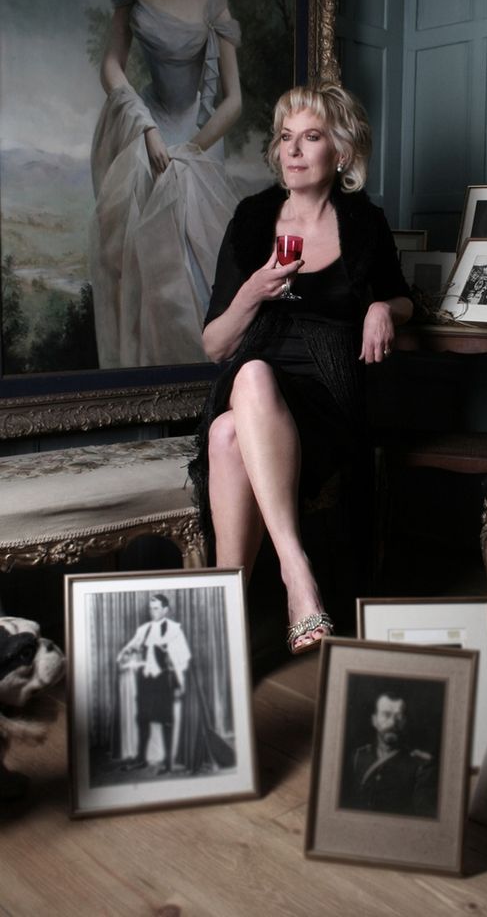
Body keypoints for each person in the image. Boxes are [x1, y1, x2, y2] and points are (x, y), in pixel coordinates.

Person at [190, 81, 413, 653]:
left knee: (225, 434)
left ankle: (224, 625)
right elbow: (216, 344)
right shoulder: (251, 218)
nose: (292, 150)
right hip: (253, 377)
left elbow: (403, 297)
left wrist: (381, 308)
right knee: (251, 375)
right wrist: (253, 293)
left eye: (310, 137)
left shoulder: (363, 223)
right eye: (285, 137)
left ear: (339, 153)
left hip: (327, 397)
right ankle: (298, 577)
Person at [89, 0, 242, 368]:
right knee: (143, 271)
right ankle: (146, 392)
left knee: (194, 280)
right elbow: (111, 65)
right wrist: (145, 127)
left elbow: (233, 100)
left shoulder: (213, 5)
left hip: (196, 142)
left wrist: (189, 154)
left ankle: (198, 397)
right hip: (147, 128)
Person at [117, 593, 192, 775]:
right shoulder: (144, 630)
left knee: (166, 720)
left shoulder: (174, 630)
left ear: (165, 610)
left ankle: (167, 762)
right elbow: (129, 648)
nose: (153, 612)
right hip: (146, 681)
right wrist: (127, 654)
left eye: (156, 608)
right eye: (151, 608)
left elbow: (184, 657)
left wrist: (180, 682)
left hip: (164, 681)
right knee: (142, 719)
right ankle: (141, 759)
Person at [342, 690, 438, 817]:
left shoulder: (420, 765)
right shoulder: (357, 757)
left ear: (405, 722)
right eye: (386, 715)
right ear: (374, 720)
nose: (393, 723)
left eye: (398, 717)